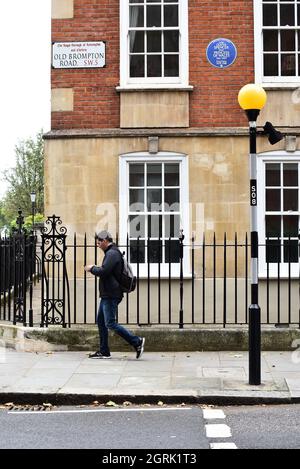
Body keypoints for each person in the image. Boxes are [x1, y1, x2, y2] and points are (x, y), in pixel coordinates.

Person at [84, 230, 145, 359]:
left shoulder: (112, 253)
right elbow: (107, 271)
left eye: (99, 242)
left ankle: (137, 342)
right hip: (108, 293)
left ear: (105, 241)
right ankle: (104, 351)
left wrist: (92, 268)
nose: (98, 245)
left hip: (111, 294)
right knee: (101, 321)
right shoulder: (112, 253)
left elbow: (104, 271)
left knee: (110, 323)